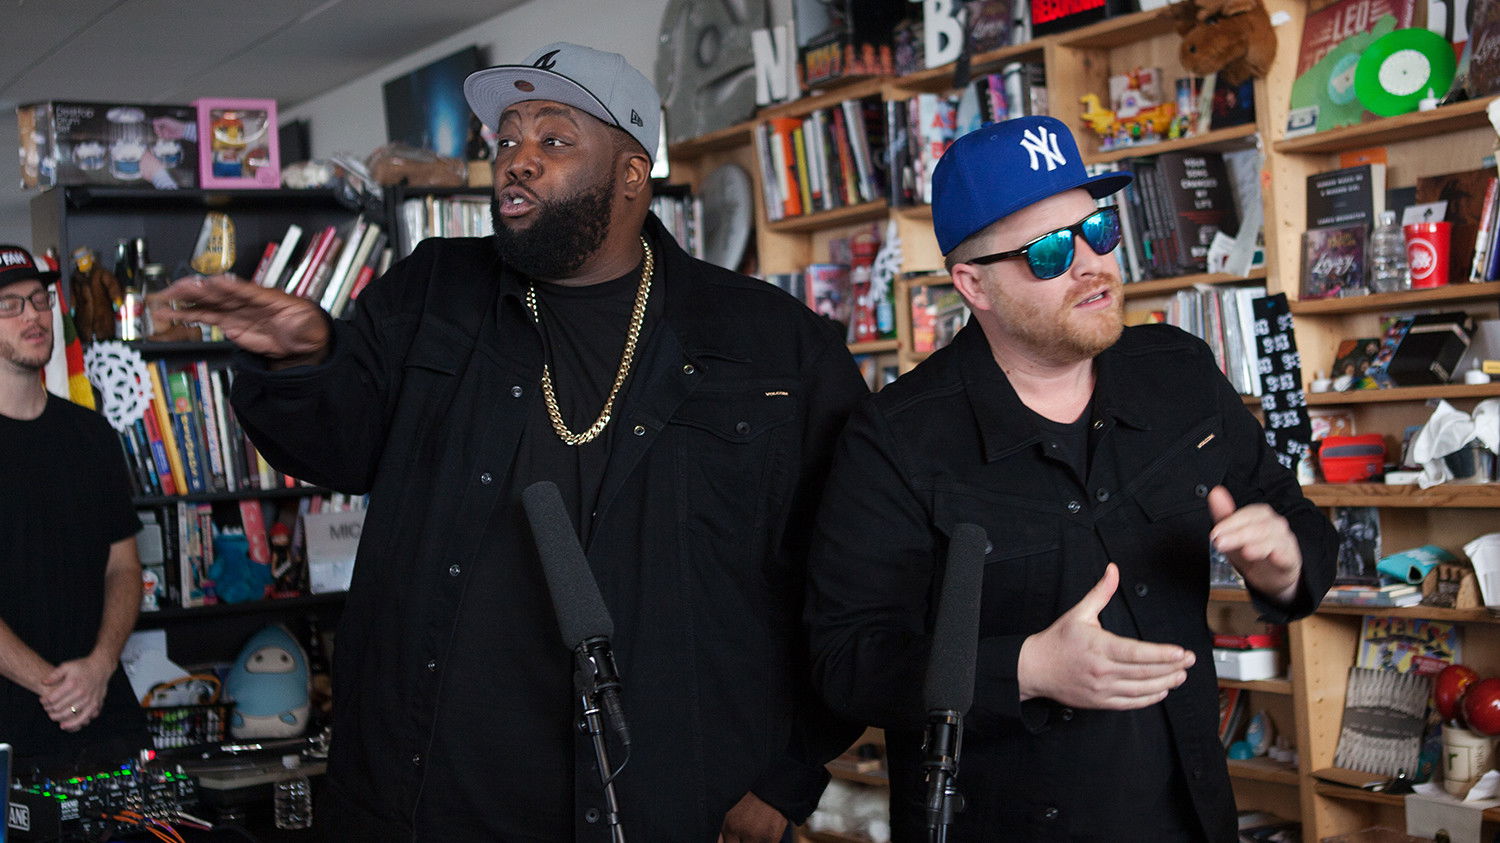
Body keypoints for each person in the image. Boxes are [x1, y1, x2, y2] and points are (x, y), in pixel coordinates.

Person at [154, 43, 867, 841]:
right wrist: (303, 361)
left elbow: (855, 573)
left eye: (552, 139)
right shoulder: (432, 293)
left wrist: (787, 776)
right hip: (431, 797)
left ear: (633, 172)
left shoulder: (773, 346)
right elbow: (335, 449)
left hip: (666, 800)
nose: (517, 160)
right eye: (506, 140)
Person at [804, 116, 1337, 842]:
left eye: (1098, 230)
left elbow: (1294, 522)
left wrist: (1284, 564)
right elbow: (844, 661)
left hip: (1191, 816)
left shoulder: (1178, 371)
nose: (1091, 264)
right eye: (1051, 251)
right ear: (973, 284)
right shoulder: (894, 438)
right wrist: (1027, 668)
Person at [0, 245, 148, 768]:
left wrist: (100, 666)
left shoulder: (92, 434)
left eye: (40, 300)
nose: (34, 316)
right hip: (11, 730)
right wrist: (56, 687)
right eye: (10, 305)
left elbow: (124, 567)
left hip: (106, 714)